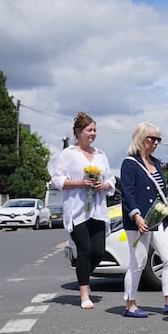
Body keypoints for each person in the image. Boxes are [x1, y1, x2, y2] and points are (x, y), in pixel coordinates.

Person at [120, 122, 168, 318]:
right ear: (141, 139)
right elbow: (128, 192)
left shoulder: (156, 163)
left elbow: (161, 192)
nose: (156, 142)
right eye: (152, 138)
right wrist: (136, 215)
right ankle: (130, 304)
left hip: (159, 219)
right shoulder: (130, 163)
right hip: (140, 221)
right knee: (138, 262)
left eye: (159, 139)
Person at [48, 112, 116, 309]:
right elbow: (56, 180)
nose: (93, 133)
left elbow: (111, 179)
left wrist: (103, 186)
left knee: (99, 251)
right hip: (77, 210)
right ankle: (84, 293)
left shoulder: (101, 155)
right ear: (78, 132)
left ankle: (82, 273)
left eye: (95, 130)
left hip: (97, 209)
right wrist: (79, 183)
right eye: (89, 130)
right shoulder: (68, 154)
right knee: (85, 250)